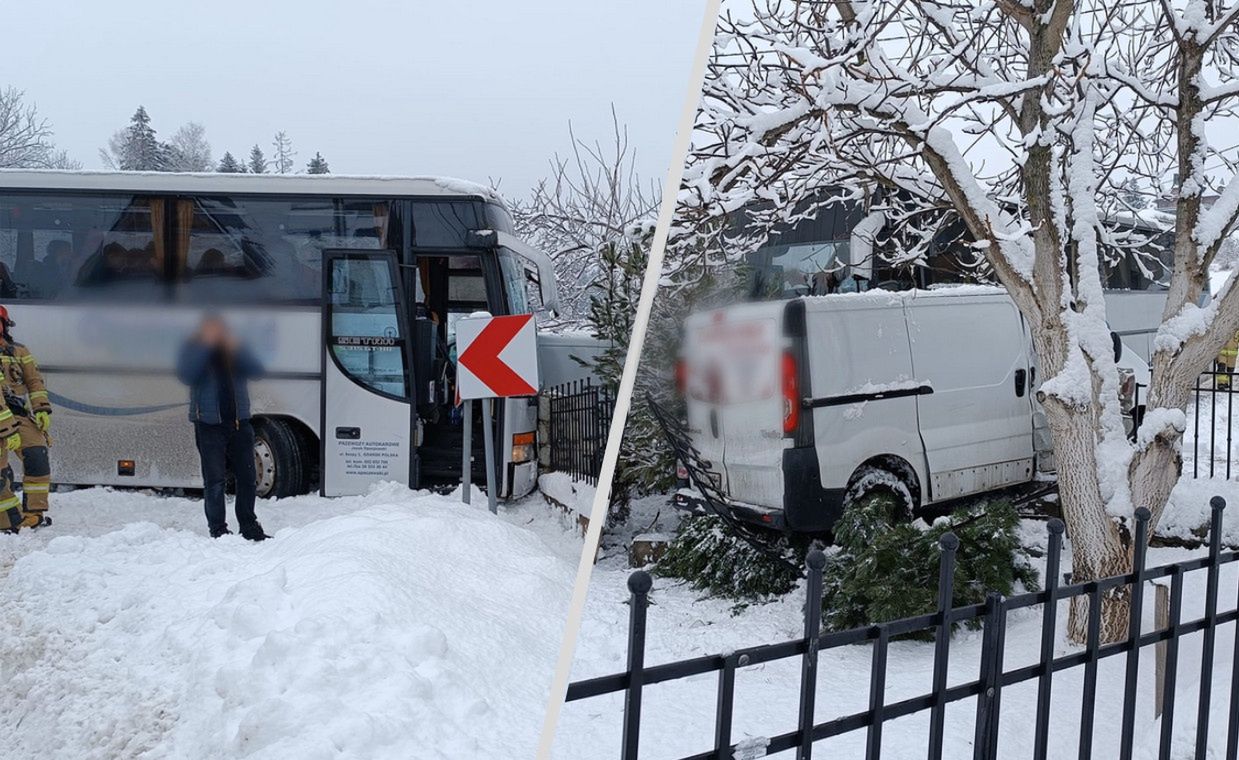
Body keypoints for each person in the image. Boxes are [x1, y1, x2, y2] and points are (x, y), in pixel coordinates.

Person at [176, 315, 269, 540]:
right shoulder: (193, 347)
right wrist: (205, 347)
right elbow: (187, 375)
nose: (216, 332)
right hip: (209, 424)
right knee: (215, 480)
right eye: (211, 328)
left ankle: (249, 525)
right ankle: (218, 530)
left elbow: (257, 371)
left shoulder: (234, 347)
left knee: (247, 477)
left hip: (239, 422)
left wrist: (239, 349)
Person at [0, 305, 53, 531]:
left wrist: (41, 408)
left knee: (37, 454)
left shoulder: (19, 352)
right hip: (3, 422)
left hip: (17, 415)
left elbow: (34, 381)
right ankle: (8, 520)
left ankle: (34, 512)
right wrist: (6, 429)